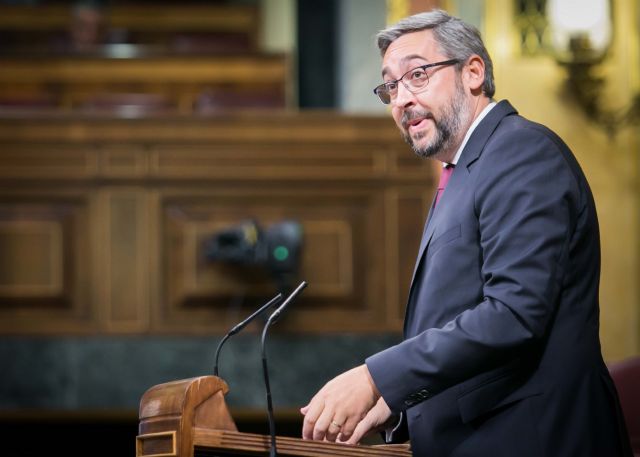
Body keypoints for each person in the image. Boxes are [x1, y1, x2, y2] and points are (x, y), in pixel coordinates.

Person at [300, 9, 633, 457]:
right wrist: (394, 401)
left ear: (473, 72)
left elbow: (513, 314)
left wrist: (376, 377)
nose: (400, 100)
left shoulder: (520, 152)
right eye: (391, 86)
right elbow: (458, 324)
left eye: (417, 75)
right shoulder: (466, 171)